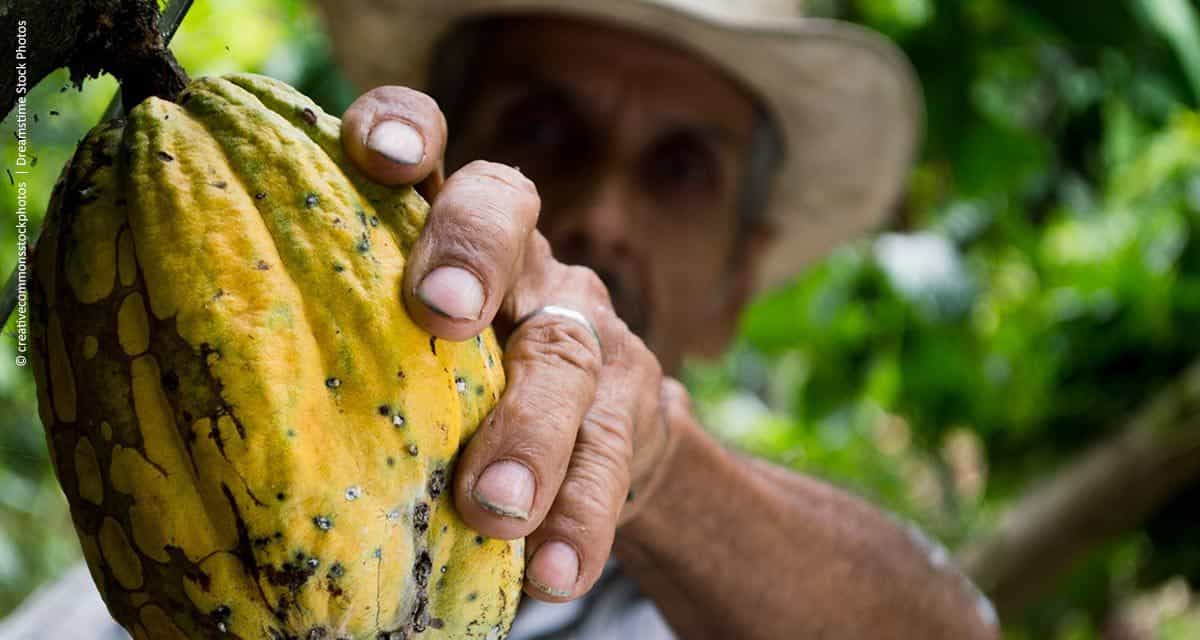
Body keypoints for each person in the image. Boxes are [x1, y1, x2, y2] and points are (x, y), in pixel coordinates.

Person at [0, 1, 1000, 638]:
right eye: (540, 128)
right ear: (411, 167)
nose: (604, 211)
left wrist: (654, 457)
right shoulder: (132, 587)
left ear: (740, 281)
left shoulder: (742, 607)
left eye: (680, 168)